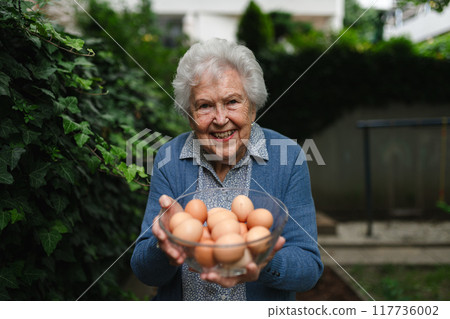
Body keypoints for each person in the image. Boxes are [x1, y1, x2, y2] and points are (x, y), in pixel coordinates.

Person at [130, 38, 323, 300]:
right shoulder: (169, 158)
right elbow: (144, 271)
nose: (220, 120)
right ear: (189, 115)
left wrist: (264, 262)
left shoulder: (289, 159)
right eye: (205, 106)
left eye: (232, 101)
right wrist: (164, 244)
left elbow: (309, 268)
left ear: (253, 108)